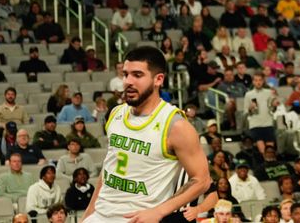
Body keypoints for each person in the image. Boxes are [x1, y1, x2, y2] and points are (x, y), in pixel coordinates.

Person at [81, 46, 210, 223]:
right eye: (126, 74)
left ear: (158, 79)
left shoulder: (176, 125)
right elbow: (109, 166)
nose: (128, 81)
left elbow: (202, 180)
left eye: (137, 75)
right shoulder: (116, 113)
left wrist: (159, 212)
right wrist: (89, 212)